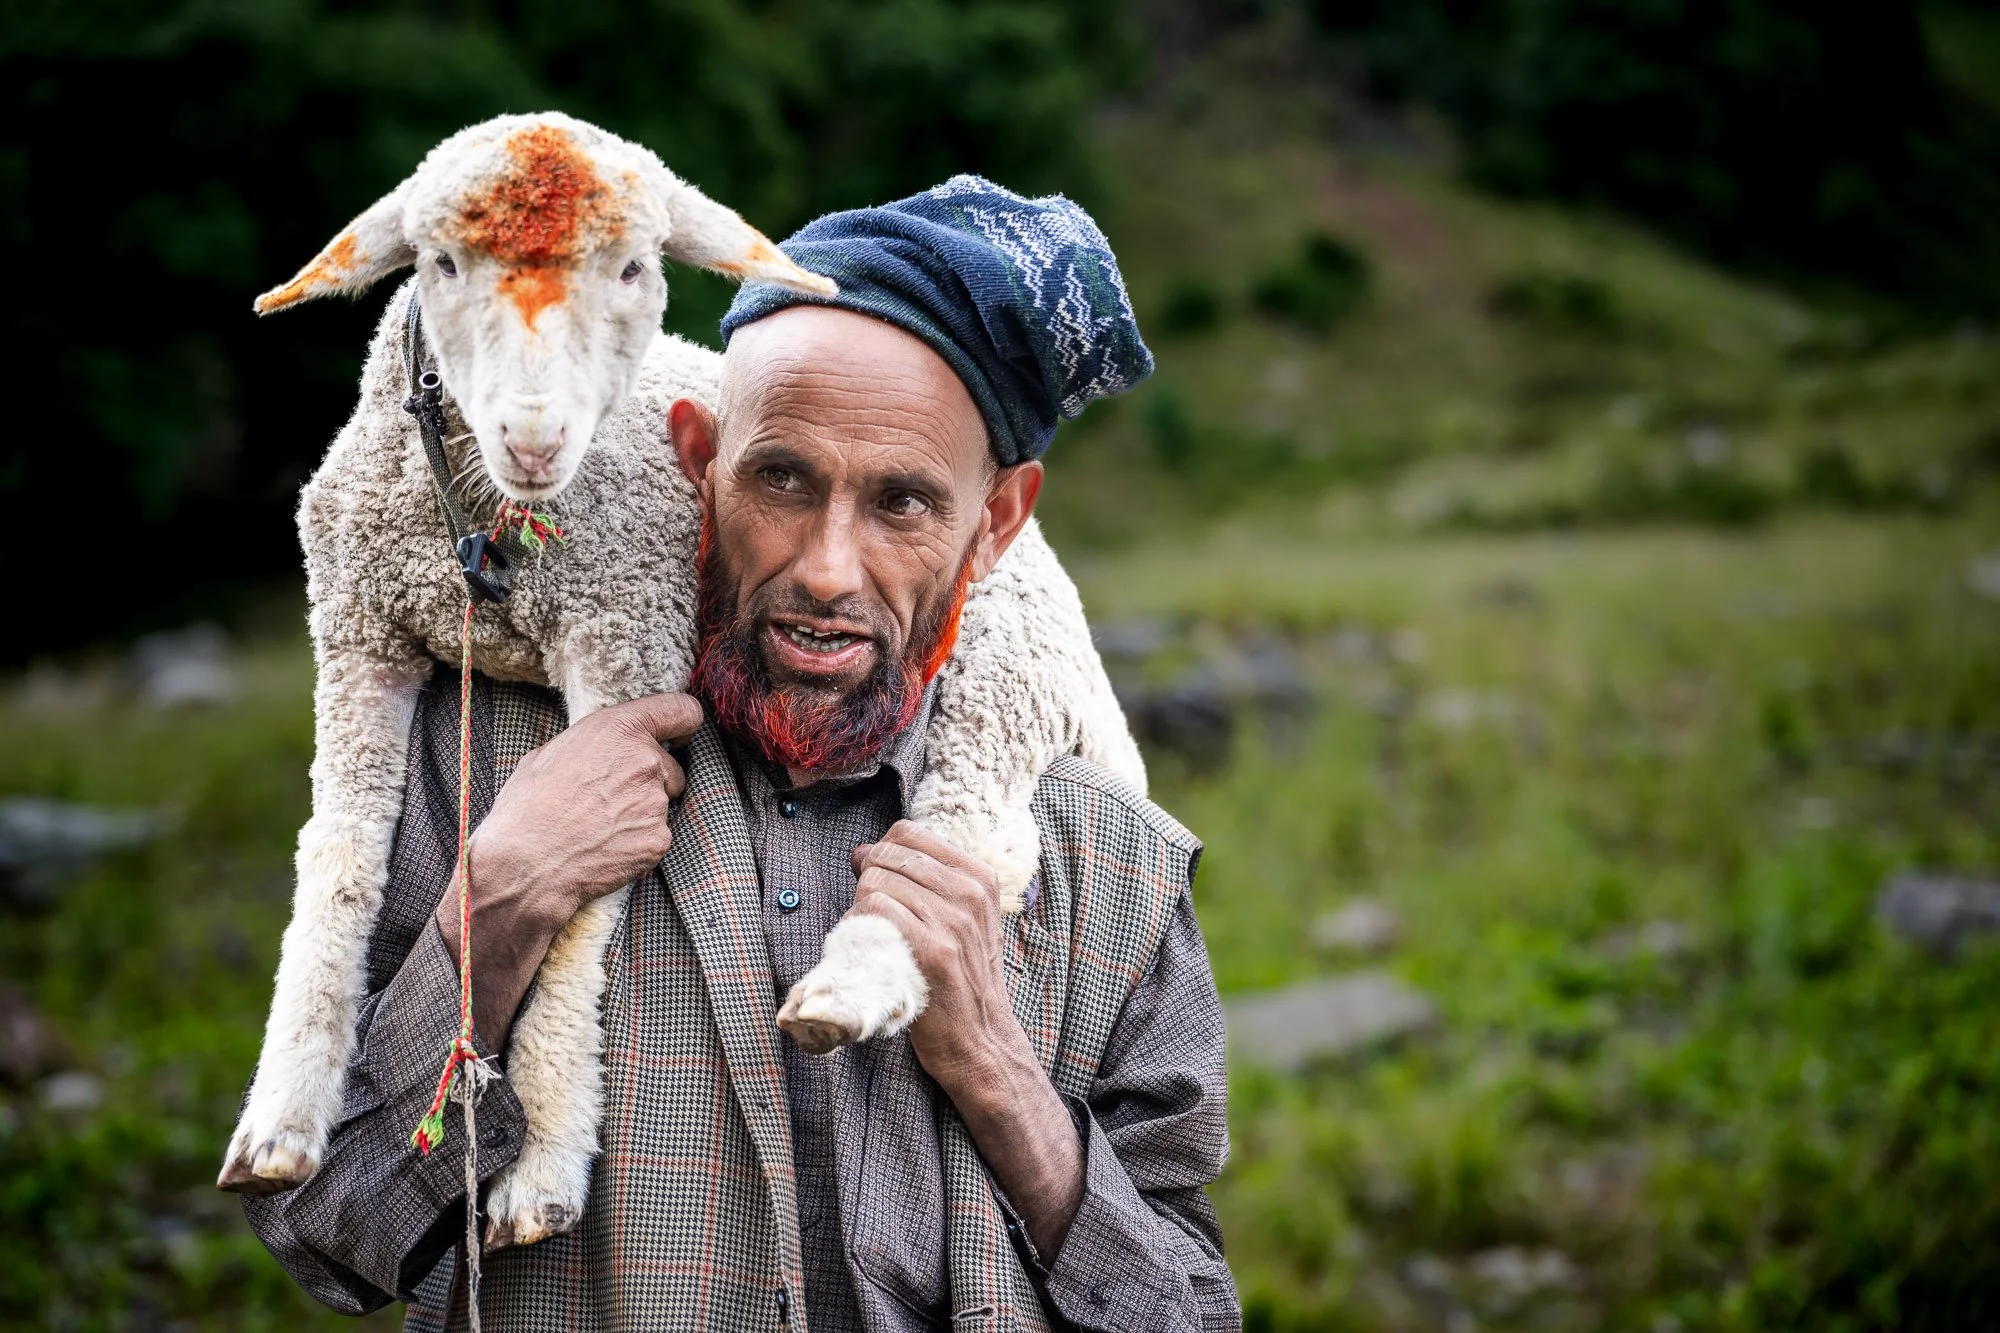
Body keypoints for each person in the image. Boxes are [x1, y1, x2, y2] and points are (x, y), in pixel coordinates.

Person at [242, 176, 1239, 1332]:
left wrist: (998, 1072)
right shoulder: (488, 767)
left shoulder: (1106, 863)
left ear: (998, 522)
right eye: (781, 479)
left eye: (902, 502)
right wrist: (498, 906)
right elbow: (326, 1240)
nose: (826, 567)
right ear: (695, 458)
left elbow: (1188, 1314)